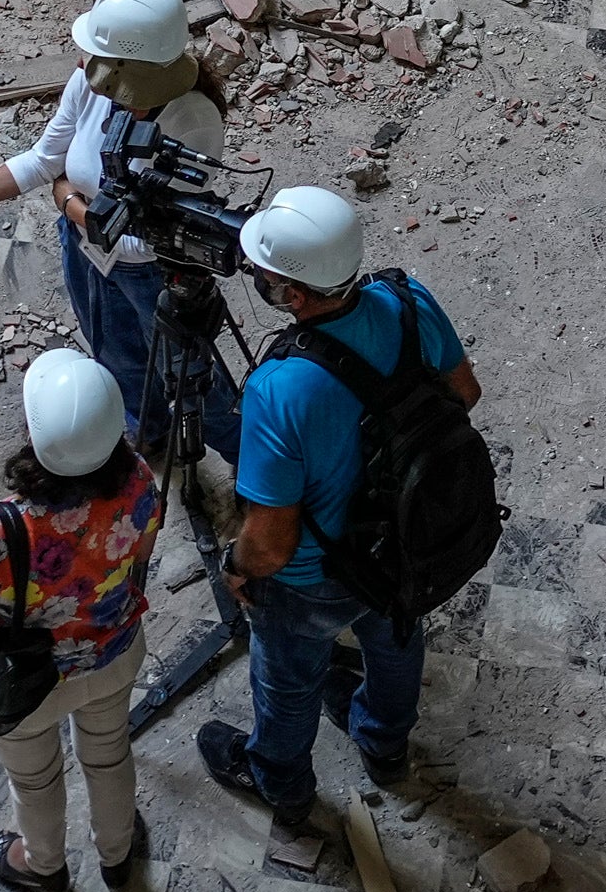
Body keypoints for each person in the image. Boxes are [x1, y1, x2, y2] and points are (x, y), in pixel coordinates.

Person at [193, 185, 469, 855]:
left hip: (320, 574)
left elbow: (273, 542)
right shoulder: (409, 301)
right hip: (406, 541)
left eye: (267, 277)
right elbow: (463, 393)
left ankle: (280, 781)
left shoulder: (279, 388)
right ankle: (383, 742)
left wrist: (233, 567)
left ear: (292, 296)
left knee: (287, 678)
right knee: (397, 630)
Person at [0, 0, 235, 457]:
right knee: (115, 355)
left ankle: (253, 471)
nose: (79, 62)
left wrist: (70, 204)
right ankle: (147, 435)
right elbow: (46, 161)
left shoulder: (191, 124)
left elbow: (148, 240)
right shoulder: (94, 84)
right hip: (88, 253)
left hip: (151, 275)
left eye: (95, 54)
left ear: (133, 67)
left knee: (193, 379)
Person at [0, 348, 169, 892]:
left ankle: (43, 866)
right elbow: (141, 558)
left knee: (36, 781)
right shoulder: (139, 480)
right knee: (109, 754)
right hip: (111, 656)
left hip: (24, 687)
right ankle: (116, 855)